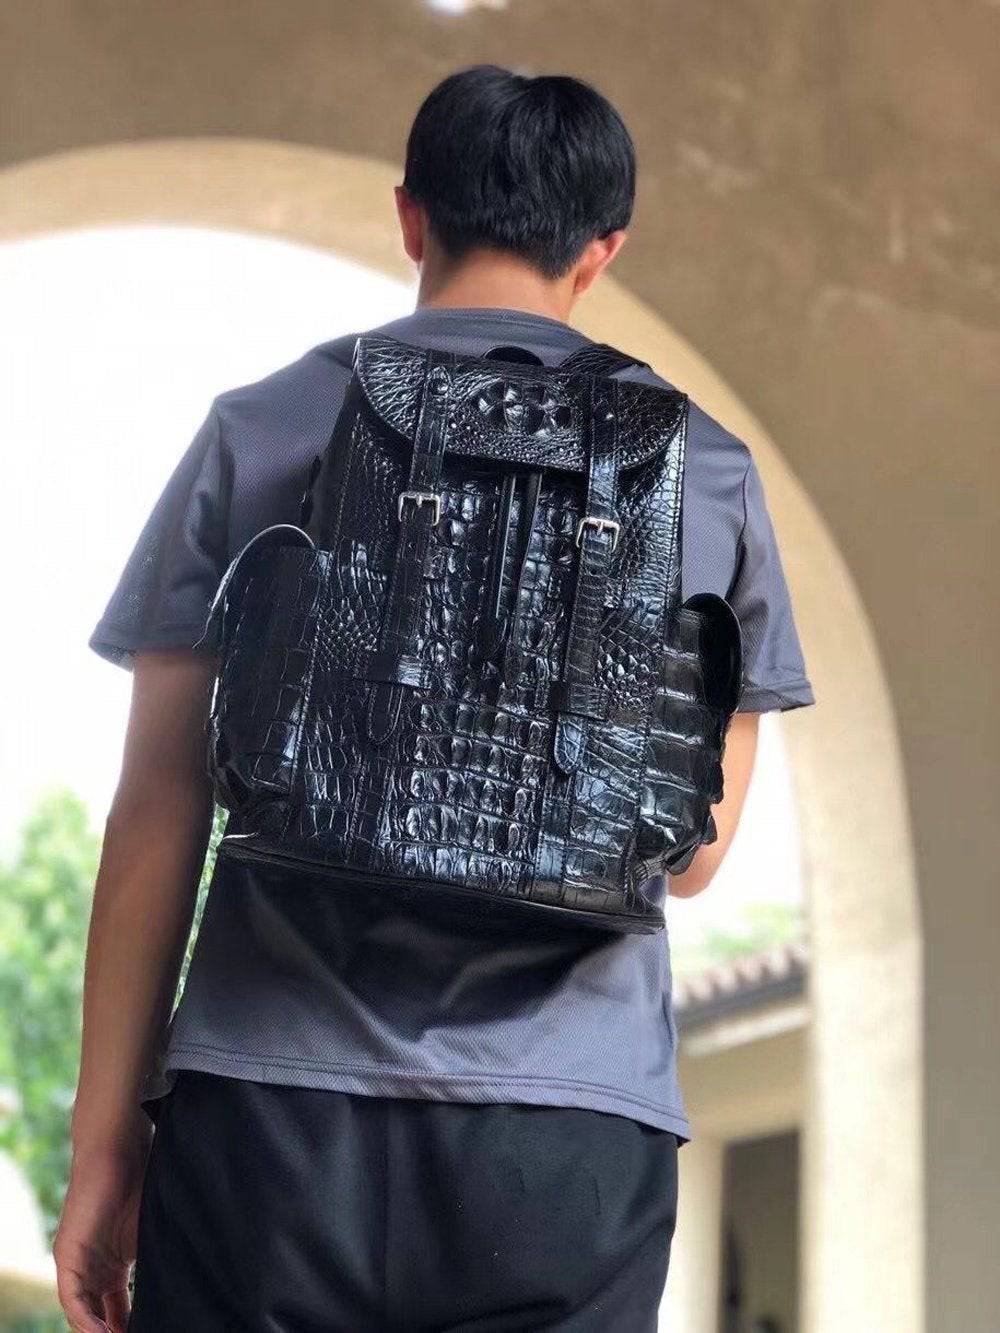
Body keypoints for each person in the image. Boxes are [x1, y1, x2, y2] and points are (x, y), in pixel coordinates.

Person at [55, 64, 814, 1333]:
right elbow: (689, 856)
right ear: (603, 249)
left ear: (411, 216)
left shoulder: (262, 427)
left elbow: (157, 814)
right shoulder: (707, 472)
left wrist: (103, 1145)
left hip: (270, 1116)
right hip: (568, 1141)